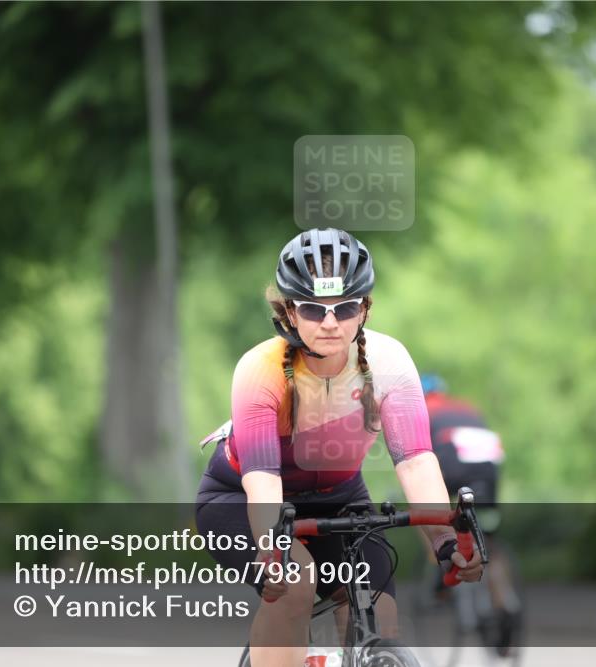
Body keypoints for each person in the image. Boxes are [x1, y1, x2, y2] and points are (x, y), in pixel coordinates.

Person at [195, 228, 483, 667]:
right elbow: (262, 481)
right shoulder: (260, 369)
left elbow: (416, 461)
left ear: (364, 308)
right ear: (289, 311)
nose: (330, 323)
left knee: (379, 617)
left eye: (344, 307)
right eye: (313, 309)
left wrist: (445, 538)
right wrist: (273, 551)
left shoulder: (389, 362)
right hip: (239, 495)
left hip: (338, 498)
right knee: (295, 584)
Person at [420, 373, 522, 656]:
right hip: (488, 469)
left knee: (423, 508)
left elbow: (417, 461)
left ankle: (441, 563)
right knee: (488, 538)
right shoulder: (467, 408)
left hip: (453, 465)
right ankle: (505, 603)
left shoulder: (423, 411)